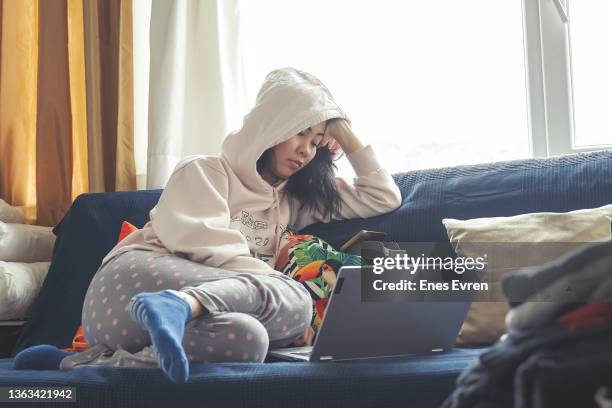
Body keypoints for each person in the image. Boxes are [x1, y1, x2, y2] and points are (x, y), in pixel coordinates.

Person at [13, 67, 402, 383]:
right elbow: (204, 241)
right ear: (271, 125)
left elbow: (382, 196)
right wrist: (276, 285)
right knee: (296, 300)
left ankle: (80, 364)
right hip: (126, 289)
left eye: (317, 140)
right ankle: (176, 302)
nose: (306, 148)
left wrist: (342, 129)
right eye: (301, 132)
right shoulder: (204, 170)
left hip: (159, 325)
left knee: (250, 339)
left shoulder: (291, 201)